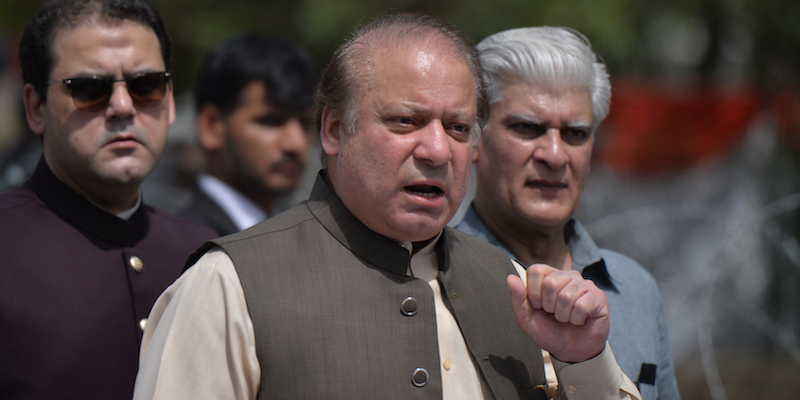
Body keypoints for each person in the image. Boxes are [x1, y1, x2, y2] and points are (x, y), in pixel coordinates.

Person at [134, 14, 641, 400]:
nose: (437, 150)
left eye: (458, 128)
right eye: (405, 121)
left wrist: (584, 362)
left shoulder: (510, 284)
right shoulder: (227, 286)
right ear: (335, 130)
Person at [0, 1, 216, 398]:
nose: (123, 106)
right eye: (89, 88)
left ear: (169, 101)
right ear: (35, 109)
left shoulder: (203, 255)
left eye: (146, 85)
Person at [454, 27, 679, 399]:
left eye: (575, 133)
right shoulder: (431, 282)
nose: (555, 155)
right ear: (473, 138)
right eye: (527, 128)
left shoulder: (635, 290)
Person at [177, 34, 316, 236]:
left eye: (306, 123)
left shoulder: (302, 237)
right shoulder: (188, 247)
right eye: (271, 121)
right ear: (211, 126)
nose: (296, 143)